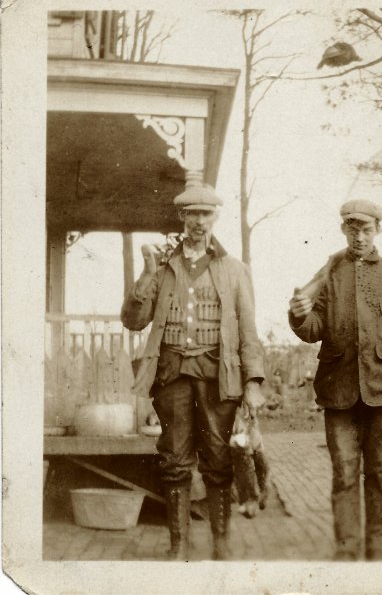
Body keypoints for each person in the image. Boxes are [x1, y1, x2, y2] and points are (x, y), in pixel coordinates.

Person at [121, 177, 266, 561]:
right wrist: (148, 271)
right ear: (181, 216)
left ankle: (220, 542)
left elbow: (248, 330)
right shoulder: (163, 266)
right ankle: (178, 543)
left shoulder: (234, 270)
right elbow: (134, 320)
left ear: (215, 217)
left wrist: (253, 382)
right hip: (171, 376)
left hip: (219, 377)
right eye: (192, 214)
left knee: (219, 458)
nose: (199, 221)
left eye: (206, 213)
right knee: (174, 458)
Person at [288, 199, 382, 560]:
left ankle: (378, 549)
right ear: (343, 230)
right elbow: (313, 329)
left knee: (381, 472)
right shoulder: (328, 274)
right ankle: (347, 550)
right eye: (352, 229)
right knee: (344, 472)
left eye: (366, 229)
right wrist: (297, 316)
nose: (359, 236)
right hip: (338, 392)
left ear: (376, 231)